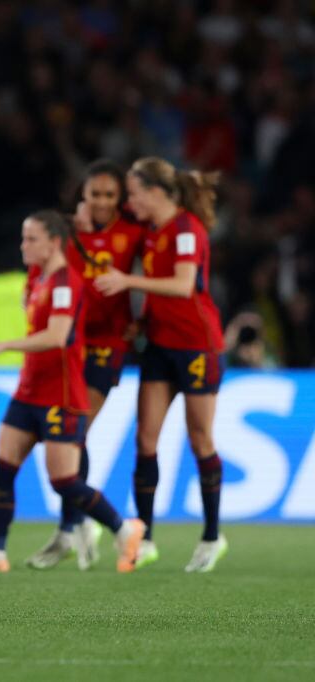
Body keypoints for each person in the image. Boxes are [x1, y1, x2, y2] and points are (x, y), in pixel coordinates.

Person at [0, 210, 145, 574]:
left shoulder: (66, 283)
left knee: (64, 481)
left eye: (31, 239)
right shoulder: (37, 279)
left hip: (61, 392)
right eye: (24, 238)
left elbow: (57, 336)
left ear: (54, 242)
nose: (24, 246)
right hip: (29, 389)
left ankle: (123, 528)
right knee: (4, 464)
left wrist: (4, 344)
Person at [95, 157, 227, 573]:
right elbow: (161, 290)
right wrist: (140, 320)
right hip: (159, 344)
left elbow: (184, 285)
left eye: (133, 192)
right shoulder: (152, 233)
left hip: (196, 346)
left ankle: (211, 535)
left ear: (155, 192)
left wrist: (129, 281)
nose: (129, 201)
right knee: (146, 440)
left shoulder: (187, 229)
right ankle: (146, 536)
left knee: (200, 439)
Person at [26, 160, 146, 571]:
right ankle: (77, 525)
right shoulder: (67, 232)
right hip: (71, 346)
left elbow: (150, 276)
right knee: (71, 438)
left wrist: (140, 320)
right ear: (84, 195)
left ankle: (75, 526)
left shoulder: (133, 232)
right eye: (95, 194)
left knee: (74, 436)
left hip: (108, 346)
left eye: (109, 195)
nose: (101, 202)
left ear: (120, 199)